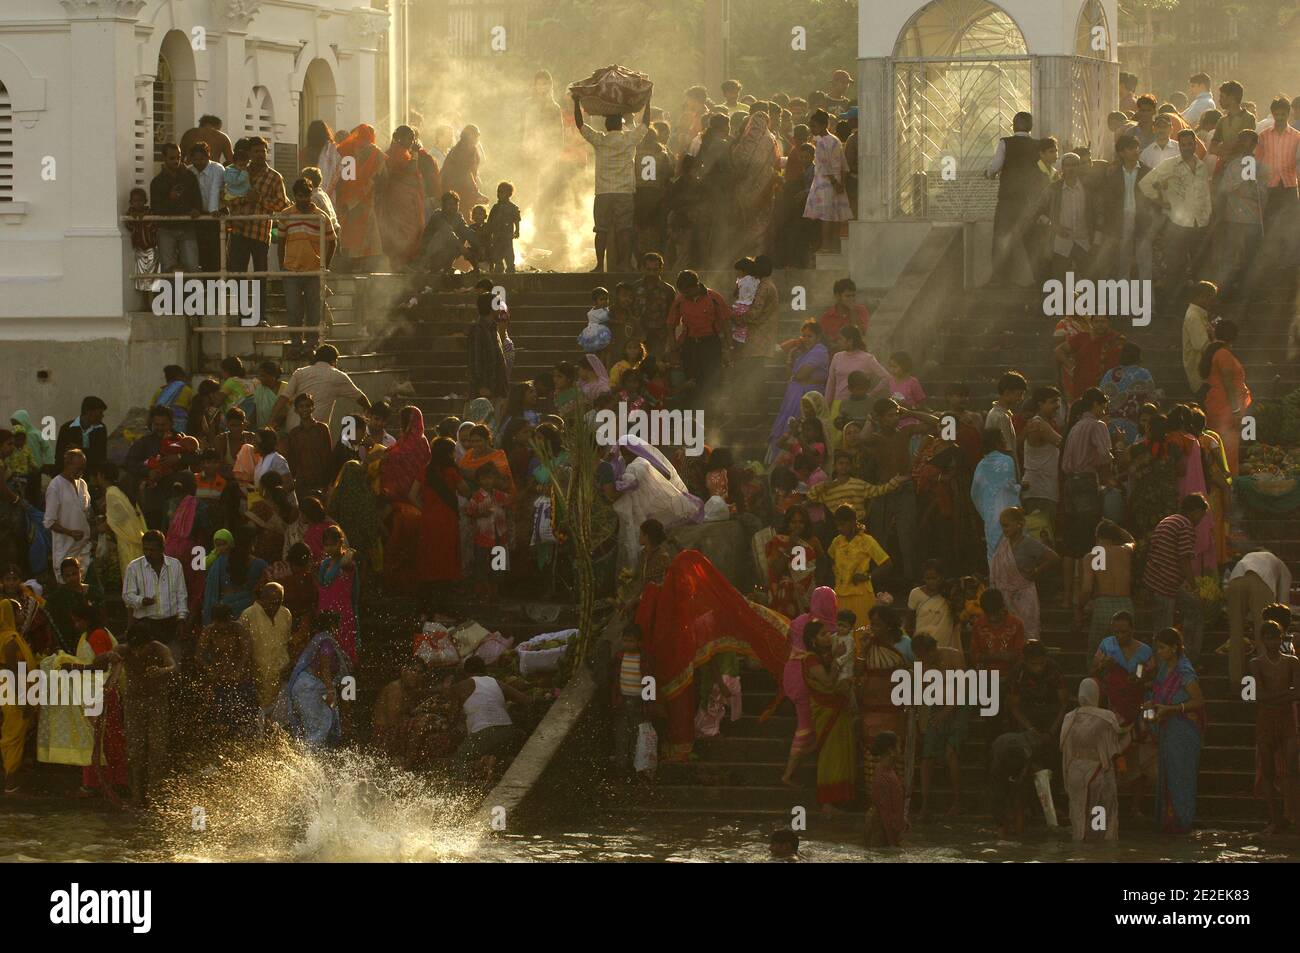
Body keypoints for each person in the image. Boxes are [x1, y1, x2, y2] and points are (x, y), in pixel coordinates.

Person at [1145, 626, 1205, 834]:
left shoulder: (1184, 670)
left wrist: (1171, 709)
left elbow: (1198, 702)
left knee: (1182, 777)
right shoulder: (1165, 668)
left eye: (1162, 648)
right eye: (1158, 648)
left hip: (1184, 731)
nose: (1159, 652)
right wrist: (1152, 704)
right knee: (1169, 776)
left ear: (1174, 648)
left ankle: (1183, 822)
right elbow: (1161, 692)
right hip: (1168, 729)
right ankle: (1170, 823)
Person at [117, 621, 177, 805]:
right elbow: (108, 663)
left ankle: (156, 794)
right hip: (133, 703)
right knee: (135, 752)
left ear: (148, 643)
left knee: (157, 749)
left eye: (141, 648)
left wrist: (161, 671)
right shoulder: (122, 650)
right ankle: (137, 795)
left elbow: (173, 667)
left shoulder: (159, 649)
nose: (137, 653)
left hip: (156, 702)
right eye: (134, 649)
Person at [225, 136, 288, 313]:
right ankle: (242, 314)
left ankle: (260, 316)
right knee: (238, 275)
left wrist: (262, 200)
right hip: (239, 230)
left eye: (263, 151)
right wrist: (246, 198)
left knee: (260, 276)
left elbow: (282, 205)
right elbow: (227, 198)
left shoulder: (275, 177)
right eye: (256, 151)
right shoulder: (238, 173)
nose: (260, 154)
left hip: (260, 232)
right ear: (250, 153)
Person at [1060, 677, 1126, 841]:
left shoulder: (1069, 717)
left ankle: (1080, 850)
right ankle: (1098, 852)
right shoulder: (1107, 717)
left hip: (1074, 771)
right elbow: (1114, 747)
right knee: (1100, 813)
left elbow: (1065, 749)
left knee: (1078, 814)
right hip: (1098, 772)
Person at [443, 655, 529, 781]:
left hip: (484, 733)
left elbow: (451, 718)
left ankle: (462, 793)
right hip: (507, 731)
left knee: (459, 758)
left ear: (466, 672)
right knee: (496, 755)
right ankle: (495, 765)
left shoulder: (462, 686)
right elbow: (525, 699)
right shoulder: (496, 682)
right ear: (485, 670)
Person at [1250, 620, 1300, 833]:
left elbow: (1297, 693)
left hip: (1287, 721)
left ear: (1282, 639)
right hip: (1266, 721)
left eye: (1277, 637)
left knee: (1292, 770)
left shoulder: (1292, 661)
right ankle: (1274, 819)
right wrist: (1284, 696)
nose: (1274, 642)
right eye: (1270, 638)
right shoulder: (1256, 663)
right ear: (1263, 640)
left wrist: (1273, 697)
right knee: (1268, 772)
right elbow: (1258, 696)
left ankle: (1292, 816)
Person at [277, 178, 336, 353]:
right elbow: (280, 242)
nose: (303, 199)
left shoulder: (321, 217)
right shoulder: (286, 215)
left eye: (306, 195)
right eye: (300, 196)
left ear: (311, 195)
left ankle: (311, 343)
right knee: (293, 308)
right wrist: (282, 266)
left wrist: (324, 265)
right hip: (291, 269)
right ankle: (296, 343)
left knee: (314, 309)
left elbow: (332, 241)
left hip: (314, 270)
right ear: (295, 196)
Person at [913, 633, 967, 819]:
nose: (922, 660)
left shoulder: (954, 656)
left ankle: (958, 802)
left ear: (933, 650)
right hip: (935, 707)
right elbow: (921, 696)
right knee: (927, 755)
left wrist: (946, 712)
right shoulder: (921, 665)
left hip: (960, 706)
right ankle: (925, 805)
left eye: (924, 656)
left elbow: (963, 690)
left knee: (951, 751)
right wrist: (921, 722)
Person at [275, 617, 351, 748]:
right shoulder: (326, 642)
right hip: (309, 688)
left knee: (324, 723)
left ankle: (315, 759)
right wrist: (330, 691)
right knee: (318, 728)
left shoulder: (324, 642)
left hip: (314, 687)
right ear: (333, 627)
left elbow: (345, 682)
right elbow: (324, 669)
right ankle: (309, 762)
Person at [1224, 550, 1292, 689]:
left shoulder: (1250, 556)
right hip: (1260, 581)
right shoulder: (1282, 566)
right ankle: (1265, 679)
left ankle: (1236, 682)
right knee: (1264, 632)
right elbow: (1283, 605)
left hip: (1235, 580)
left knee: (1236, 633)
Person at [987, 111, 1041, 285]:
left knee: (1002, 237)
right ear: (1030, 127)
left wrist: (989, 174)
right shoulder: (1037, 145)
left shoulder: (1005, 142)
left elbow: (995, 166)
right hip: (1029, 200)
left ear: (1014, 125)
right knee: (1031, 239)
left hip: (1008, 199)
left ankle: (1000, 278)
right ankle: (1038, 278)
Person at [990, 507, 1058, 640]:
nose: (1004, 529)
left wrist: (1036, 572)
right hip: (1005, 597)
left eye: (1007, 525)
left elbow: (1054, 558)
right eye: (1002, 526)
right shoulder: (1003, 544)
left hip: (1024, 597)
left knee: (1027, 634)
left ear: (1019, 524)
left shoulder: (1029, 543)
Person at [767, 321, 830, 464]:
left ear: (818, 337)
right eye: (804, 336)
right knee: (787, 427)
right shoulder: (802, 353)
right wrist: (790, 357)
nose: (806, 339)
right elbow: (791, 374)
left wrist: (796, 377)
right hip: (794, 395)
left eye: (810, 336)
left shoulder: (820, 351)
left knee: (802, 427)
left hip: (808, 395)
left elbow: (801, 375)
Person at [122, 528, 188, 658]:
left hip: (170, 624)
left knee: (172, 663)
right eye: (145, 549)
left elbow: (182, 595)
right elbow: (126, 596)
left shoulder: (175, 565)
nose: (148, 553)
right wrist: (141, 600)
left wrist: (181, 619)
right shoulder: (134, 567)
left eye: (152, 550)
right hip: (146, 625)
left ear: (162, 548)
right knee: (149, 666)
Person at [274, 345, 372, 433]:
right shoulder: (338, 376)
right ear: (334, 361)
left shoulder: (300, 372)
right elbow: (360, 398)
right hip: (316, 431)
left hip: (293, 427)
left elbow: (284, 398)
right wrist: (369, 413)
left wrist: (270, 422)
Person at [333, 124, 387, 271]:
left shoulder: (345, 150)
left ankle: (348, 264)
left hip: (345, 199)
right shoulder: (376, 153)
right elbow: (383, 178)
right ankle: (364, 265)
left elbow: (340, 177)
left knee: (349, 232)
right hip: (366, 199)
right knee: (367, 234)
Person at [1200, 319, 1250, 475]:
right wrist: (1235, 410)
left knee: (1219, 446)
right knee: (1228, 448)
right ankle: (1229, 485)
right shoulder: (1224, 354)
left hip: (1218, 404)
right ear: (1233, 336)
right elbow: (1229, 384)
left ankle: (1221, 485)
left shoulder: (1216, 352)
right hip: (1225, 407)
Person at [828, 504, 890, 625]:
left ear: (852, 522)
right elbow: (830, 557)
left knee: (861, 632)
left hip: (860, 595)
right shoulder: (837, 541)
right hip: (840, 595)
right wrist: (838, 573)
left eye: (842, 525)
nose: (839, 529)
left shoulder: (867, 541)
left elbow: (887, 564)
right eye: (837, 525)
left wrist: (868, 576)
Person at [378, 125, 427, 269]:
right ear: (400, 138)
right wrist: (416, 154)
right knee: (405, 229)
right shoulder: (397, 152)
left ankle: (402, 261)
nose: (412, 141)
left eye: (413, 138)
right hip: (400, 196)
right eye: (409, 138)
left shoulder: (400, 151)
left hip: (402, 195)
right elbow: (410, 171)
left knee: (405, 228)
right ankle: (401, 262)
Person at [149, 142, 203, 274]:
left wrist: (195, 210)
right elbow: (156, 208)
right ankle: (171, 295)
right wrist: (170, 199)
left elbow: (197, 201)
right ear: (164, 158)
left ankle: (193, 294)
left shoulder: (189, 177)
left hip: (186, 227)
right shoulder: (157, 182)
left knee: (192, 266)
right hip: (166, 228)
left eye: (178, 157)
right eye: (172, 158)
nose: (176, 161)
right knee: (168, 267)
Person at [239, 580, 291, 711]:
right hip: (257, 674)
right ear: (262, 598)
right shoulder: (248, 615)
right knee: (258, 713)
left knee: (279, 716)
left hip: (281, 672)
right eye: (271, 603)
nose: (274, 607)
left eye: (278, 603)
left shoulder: (286, 614)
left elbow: (287, 642)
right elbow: (240, 646)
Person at [970, 429, 1019, 566]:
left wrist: (985, 513)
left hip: (991, 518)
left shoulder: (981, 465)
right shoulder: (1007, 460)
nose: (1004, 441)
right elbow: (1010, 487)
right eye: (1002, 439)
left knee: (994, 556)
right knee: (1013, 554)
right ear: (997, 443)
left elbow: (974, 493)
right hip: (1011, 515)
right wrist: (1020, 487)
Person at [44, 448, 93, 573]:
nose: (81, 471)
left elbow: (86, 512)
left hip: (84, 548)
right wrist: (70, 532)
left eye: (83, 468)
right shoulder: (55, 486)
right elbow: (49, 522)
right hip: (65, 550)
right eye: (78, 468)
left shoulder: (82, 484)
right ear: (68, 465)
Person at [54, 396, 108, 479]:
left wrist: (79, 450)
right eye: (100, 412)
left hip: (92, 477)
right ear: (89, 412)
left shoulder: (100, 429)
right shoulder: (67, 428)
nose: (102, 416)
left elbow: (100, 455)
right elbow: (59, 455)